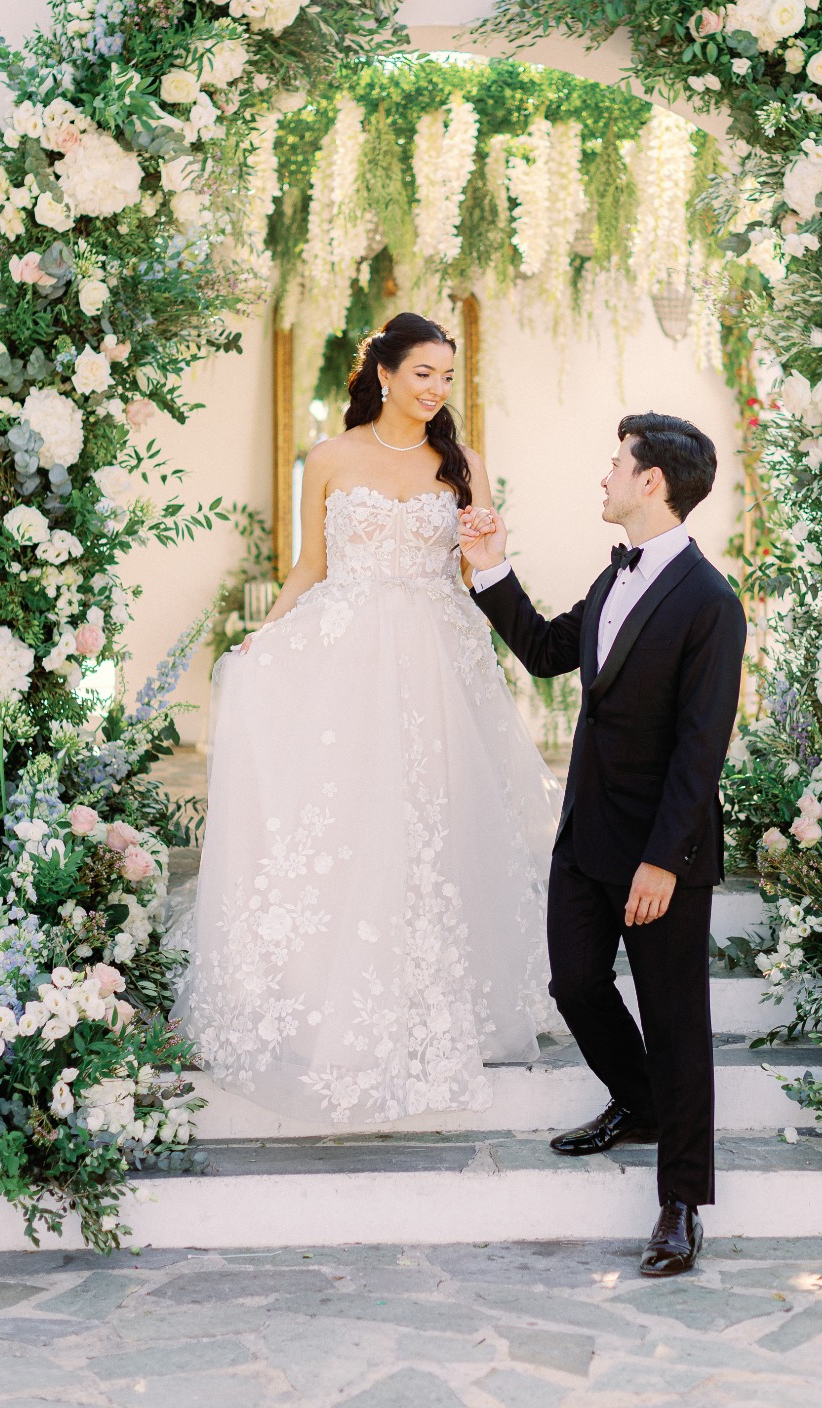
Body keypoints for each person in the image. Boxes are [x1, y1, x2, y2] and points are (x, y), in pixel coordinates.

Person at [173, 312, 559, 1128]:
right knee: (343, 824)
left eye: (447, 377)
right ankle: (328, 1007)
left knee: (430, 828)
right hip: (342, 662)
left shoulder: (461, 466)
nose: (436, 390)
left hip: (432, 663)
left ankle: (437, 1006)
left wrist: (488, 541)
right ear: (383, 373)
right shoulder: (329, 458)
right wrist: (261, 642)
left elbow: (480, 566)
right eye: (424, 373)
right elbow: (311, 565)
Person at [459, 414, 746, 1277]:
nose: (605, 476)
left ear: (652, 482)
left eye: (616, 463)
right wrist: (490, 562)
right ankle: (642, 1101)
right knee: (575, 983)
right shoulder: (611, 576)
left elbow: (703, 748)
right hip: (586, 834)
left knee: (677, 1022)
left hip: (664, 852)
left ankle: (681, 1206)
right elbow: (548, 650)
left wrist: (664, 860)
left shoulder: (711, 603)